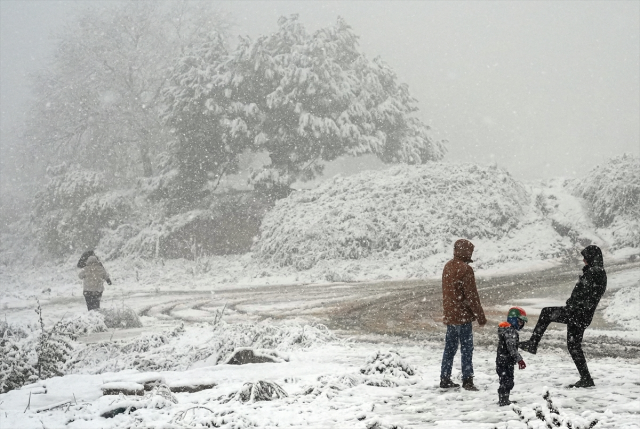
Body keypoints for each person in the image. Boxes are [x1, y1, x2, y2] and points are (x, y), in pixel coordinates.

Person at [519, 245, 607, 388]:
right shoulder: (598, 272)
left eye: (586, 257)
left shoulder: (594, 272)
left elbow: (583, 294)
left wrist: (571, 305)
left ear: (591, 257)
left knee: (546, 313)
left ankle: (532, 343)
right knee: (573, 346)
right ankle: (586, 379)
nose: (584, 260)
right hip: (583, 315)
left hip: (577, 313)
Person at [440, 239, 487, 391]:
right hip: (463, 317)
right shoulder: (466, 270)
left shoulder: (448, 266)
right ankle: (467, 380)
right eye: (470, 251)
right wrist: (480, 315)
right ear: (466, 251)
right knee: (466, 349)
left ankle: (445, 378)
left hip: (451, 316)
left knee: (449, 349)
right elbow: (472, 296)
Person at [496, 307, 528, 406]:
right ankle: (504, 400)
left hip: (502, 360)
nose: (521, 325)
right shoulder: (510, 331)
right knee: (507, 381)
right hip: (505, 361)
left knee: (505, 380)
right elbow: (511, 348)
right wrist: (520, 360)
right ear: (514, 320)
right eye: (520, 322)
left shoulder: (506, 330)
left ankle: (504, 398)